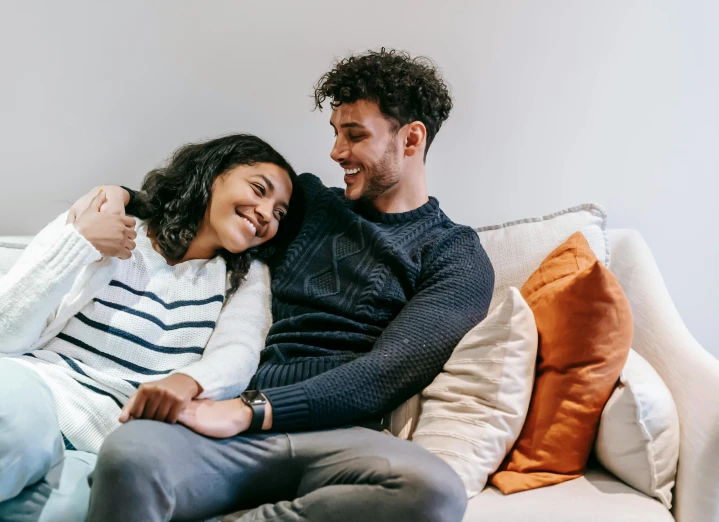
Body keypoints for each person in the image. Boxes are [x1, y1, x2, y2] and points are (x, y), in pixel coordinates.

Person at [83, 48, 496, 522]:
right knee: (129, 454)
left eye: (355, 135)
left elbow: (388, 373)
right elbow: (202, 197)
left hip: (339, 435)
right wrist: (120, 196)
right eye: (336, 133)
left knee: (433, 491)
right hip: (224, 422)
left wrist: (253, 410)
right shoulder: (308, 204)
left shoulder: (454, 254)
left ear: (411, 138)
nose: (337, 152)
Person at [0, 134, 297, 522]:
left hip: (100, 438)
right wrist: (80, 243)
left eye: (279, 213)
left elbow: (238, 354)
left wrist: (189, 383)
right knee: (10, 438)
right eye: (259, 190)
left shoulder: (244, 278)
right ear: (214, 174)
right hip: (28, 388)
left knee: (73, 511)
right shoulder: (110, 218)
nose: (265, 213)